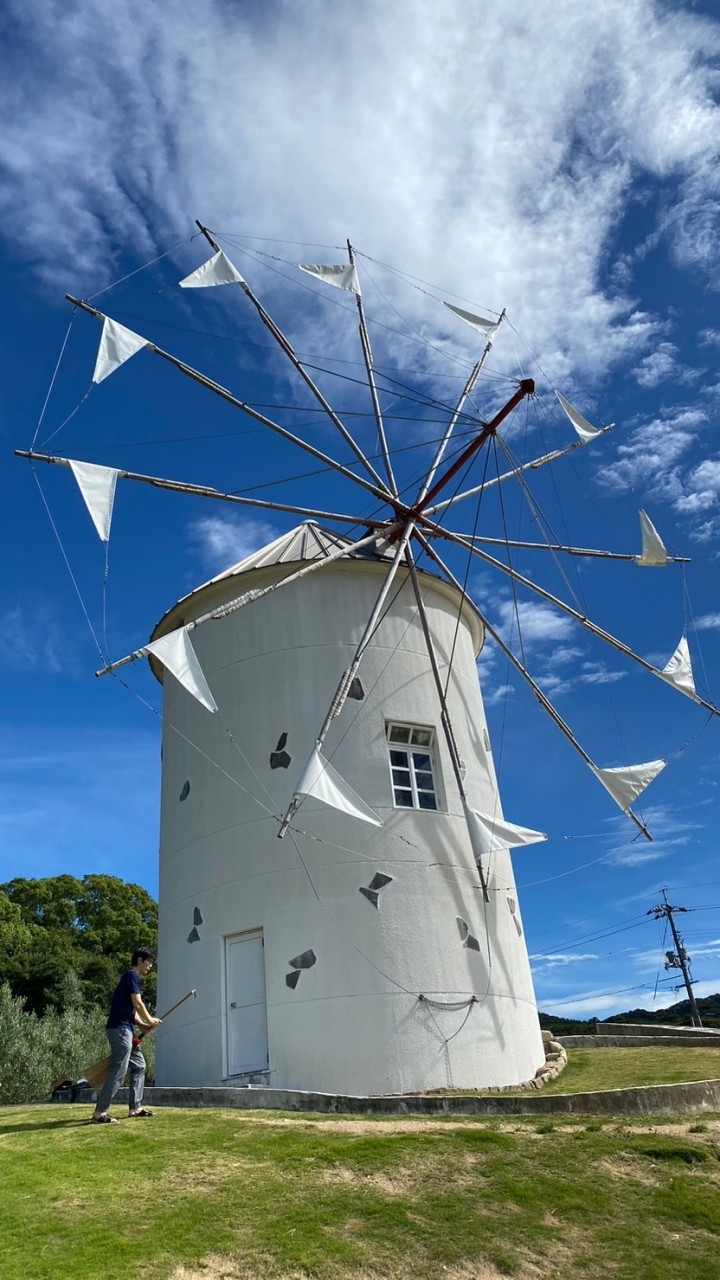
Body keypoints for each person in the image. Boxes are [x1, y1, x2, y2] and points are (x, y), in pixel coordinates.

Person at [90, 947, 162, 1124]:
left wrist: (143, 1025)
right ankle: (100, 1113)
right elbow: (137, 1004)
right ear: (139, 960)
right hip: (119, 1029)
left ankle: (135, 1108)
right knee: (119, 1070)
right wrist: (151, 1019)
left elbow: (131, 1010)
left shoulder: (132, 978)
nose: (150, 967)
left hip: (126, 1028)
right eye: (149, 962)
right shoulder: (131, 976)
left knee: (139, 1066)